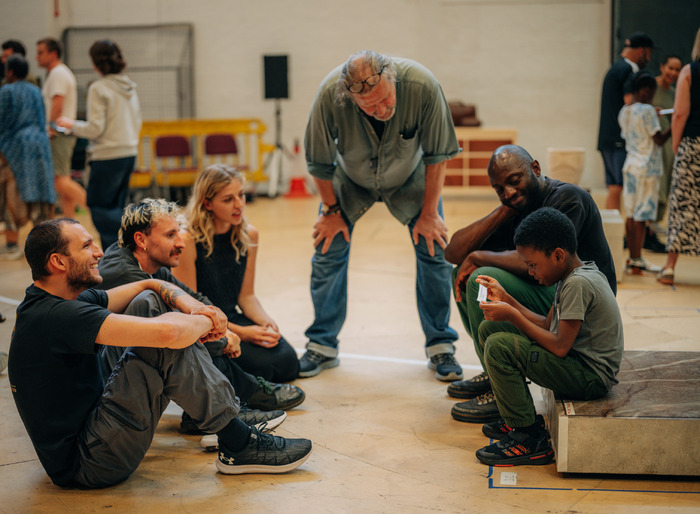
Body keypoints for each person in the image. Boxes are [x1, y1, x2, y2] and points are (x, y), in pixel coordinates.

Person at [8, 218, 312, 488]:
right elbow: (169, 334)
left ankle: (213, 418)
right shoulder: (56, 317)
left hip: (95, 428)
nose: (99, 252)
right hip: (91, 461)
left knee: (149, 302)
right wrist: (208, 321)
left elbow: (149, 286)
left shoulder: (53, 300)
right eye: (87, 246)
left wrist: (193, 308)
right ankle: (238, 441)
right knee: (164, 343)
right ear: (58, 262)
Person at [299, 50, 461, 380]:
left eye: (386, 99)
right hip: (351, 178)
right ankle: (322, 345)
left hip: (410, 177)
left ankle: (440, 345)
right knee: (328, 249)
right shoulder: (331, 94)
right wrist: (331, 211)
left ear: (392, 78)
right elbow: (317, 160)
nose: (382, 109)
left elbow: (438, 155)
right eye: (370, 107)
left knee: (434, 249)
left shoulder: (422, 85)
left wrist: (429, 212)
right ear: (350, 98)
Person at [97, 197, 305, 443]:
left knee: (272, 355)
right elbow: (173, 327)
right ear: (141, 240)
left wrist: (222, 327)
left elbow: (196, 299)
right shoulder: (123, 272)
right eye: (170, 235)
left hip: (133, 365)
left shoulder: (155, 266)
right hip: (106, 380)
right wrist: (222, 338)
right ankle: (239, 401)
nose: (180, 243)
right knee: (187, 338)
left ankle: (222, 406)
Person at [444, 144, 616, 423]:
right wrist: (505, 209)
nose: (508, 192)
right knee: (461, 275)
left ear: (535, 168)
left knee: (480, 278)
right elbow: (452, 253)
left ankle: (502, 387)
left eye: (514, 181)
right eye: (499, 188)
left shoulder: (568, 198)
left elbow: (542, 262)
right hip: (555, 295)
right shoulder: (516, 204)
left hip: (583, 302)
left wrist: (477, 256)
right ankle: (495, 374)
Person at [473, 207, 623, 466]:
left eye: (533, 265)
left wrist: (512, 315)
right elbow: (546, 324)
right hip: (576, 364)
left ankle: (530, 437)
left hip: (590, 377)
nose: (531, 272)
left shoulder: (578, 284)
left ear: (557, 255)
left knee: (499, 346)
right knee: (490, 330)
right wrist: (508, 300)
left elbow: (560, 346)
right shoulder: (569, 277)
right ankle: (517, 416)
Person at [173, 165, 300, 383]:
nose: (239, 204)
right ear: (207, 203)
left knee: (287, 361)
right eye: (228, 199)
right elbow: (191, 310)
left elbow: (246, 296)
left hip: (232, 318)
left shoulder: (249, 234)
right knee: (263, 367)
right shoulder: (188, 240)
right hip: (204, 327)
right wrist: (243, 333)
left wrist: (266, 322)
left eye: (241, 195)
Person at [57, 39, 142, 249]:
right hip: (128, 152)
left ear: (95, 62)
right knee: (117, 209)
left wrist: (70, 125)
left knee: (99, 209)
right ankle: (127, 252)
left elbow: (95, 129)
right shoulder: (129, 86)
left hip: (107, 156)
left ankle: (123, 252)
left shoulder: (98, 88)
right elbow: (137, 120)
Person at [0, 54, 55, 260]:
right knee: (40, 194)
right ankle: (44, 248)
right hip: (40, 144)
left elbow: (2, 123)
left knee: (11, 196)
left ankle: (13, 245)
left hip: (15, 148)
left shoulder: (6, 90)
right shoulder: (35, 90)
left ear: (10, 71)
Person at [618, 71, 671, 274]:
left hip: (630, 165)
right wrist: (674, 126)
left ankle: (633, 257)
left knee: (631, 214)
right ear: (647, 90)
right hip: (647, 168)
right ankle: (638, 257)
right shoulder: (648, 110)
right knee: (641, 216)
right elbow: (658, 139)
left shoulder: (625, 111)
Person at [659, 28, 700, 286]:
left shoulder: (689, 71)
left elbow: (680, 114)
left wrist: (676, 145)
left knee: (682, 203)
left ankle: (670, 267)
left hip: (693, 144)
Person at [597, 32, 654, 212]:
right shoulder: (629, 70)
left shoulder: (615, 67)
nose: (650, 58)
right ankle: (627, 235)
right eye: (649, 53)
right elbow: (630, 102)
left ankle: (611, 235)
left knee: (614, 188)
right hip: (619, 138)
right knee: (624, 187)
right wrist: (650, 111)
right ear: (642, 51)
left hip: (606, 138)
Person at [36, 37, 87, 219]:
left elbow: (58, 103)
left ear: (53, 53)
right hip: (61, 133)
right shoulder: (58, 73)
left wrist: (50, 129)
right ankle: (70, 222)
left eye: (41, 52)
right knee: (63, 180)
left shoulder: (58, 73)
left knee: (59, 181)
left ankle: (94, 208)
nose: (37, 57)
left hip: (58, 133)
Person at [648, 54, 682, 251]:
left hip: (669, 144)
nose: (673, 73)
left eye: (677, 70)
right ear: (662, 67)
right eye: (670, 68)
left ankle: (652, 231)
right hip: (652, 145)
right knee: (655, 187)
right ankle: (648, 232)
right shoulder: (650, 87)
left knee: (665, 184)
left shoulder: (676, 92)